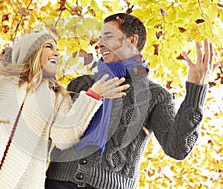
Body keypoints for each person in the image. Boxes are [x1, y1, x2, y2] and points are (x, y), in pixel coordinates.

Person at [0, 10, 130, 189]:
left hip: (22, 181)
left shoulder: (58, 98)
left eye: (57, 50)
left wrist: (92, 96)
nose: (56, 53)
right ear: (30, 51)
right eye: (49, 47)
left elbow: (63, 138)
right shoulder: (2, 80)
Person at [45, 13, 221, 189]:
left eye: (108, 36)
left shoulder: (156, 96)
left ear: (132, 40)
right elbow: (51, 134)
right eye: (100, 38)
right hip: (57, 181)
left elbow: (177, 148)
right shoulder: (82, 84)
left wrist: (196, 89)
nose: (100, 44)